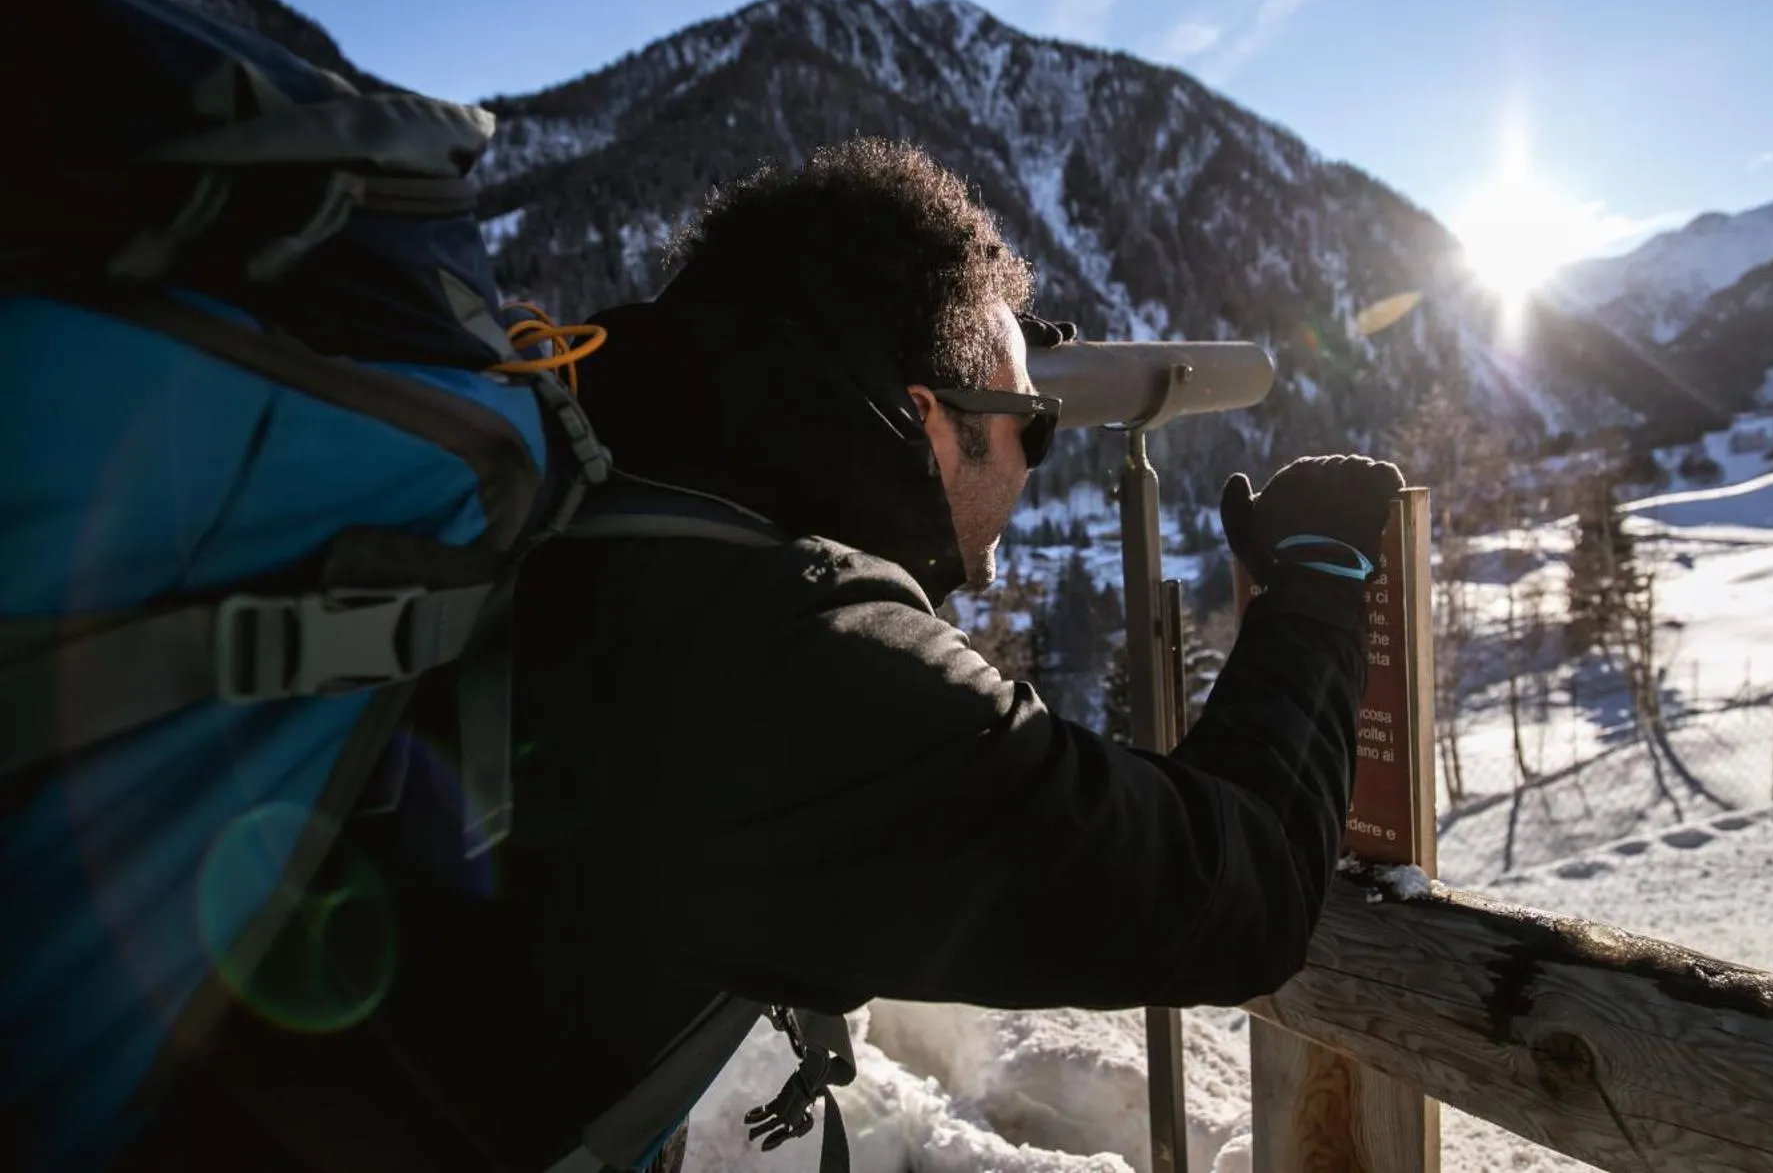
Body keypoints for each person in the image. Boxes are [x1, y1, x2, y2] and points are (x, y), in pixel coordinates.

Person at [119, 138, 1402, 1172]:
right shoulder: (795, 660)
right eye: (1032, 426)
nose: (1033, 460)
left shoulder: (586, 505)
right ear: (931, 423)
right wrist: (1325, 578)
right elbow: (1237, 890)